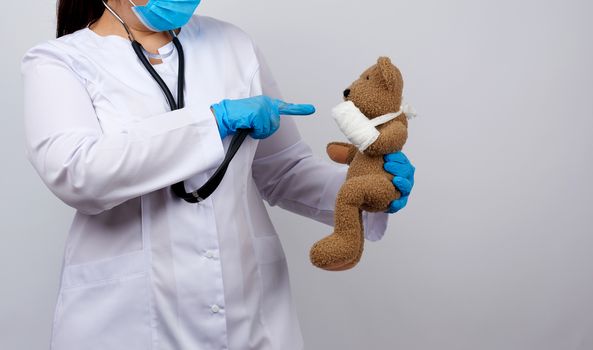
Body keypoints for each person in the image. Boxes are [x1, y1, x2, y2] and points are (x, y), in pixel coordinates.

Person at [21, 0, 415, 349]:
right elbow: (76, 172)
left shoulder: (233, 45)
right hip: (129, 318)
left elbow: (283, 172)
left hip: (246, 311)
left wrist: (366, 189)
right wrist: (214, 121)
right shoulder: (58, 61)